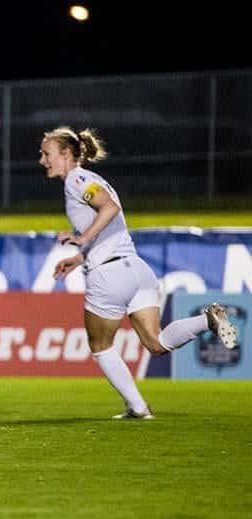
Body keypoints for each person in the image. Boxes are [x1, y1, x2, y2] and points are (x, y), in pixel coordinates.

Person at [40, 127, 239, 418]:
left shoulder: (77, 179)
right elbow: (108, 220)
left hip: (108, 276)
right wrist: (79, 256)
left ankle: (138, 407)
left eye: (46, 153)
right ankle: (207, 319)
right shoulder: (92, 180)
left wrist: (82, 239)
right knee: (156, 343)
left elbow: (109, 207)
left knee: (100, 346)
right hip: (136, 269)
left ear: (67, 155)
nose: (42, 160)